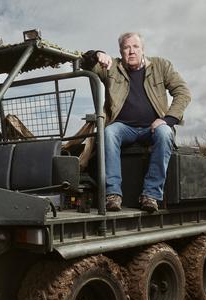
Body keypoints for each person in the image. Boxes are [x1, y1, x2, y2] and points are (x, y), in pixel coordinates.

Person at [82, 32, 191, 212]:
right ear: (120, 51)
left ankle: (151, 195)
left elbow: (183, 92)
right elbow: (83, 63)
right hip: (124, 127)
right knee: (109, 132)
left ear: (142, 50)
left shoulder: (161, 65)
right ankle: (113, 194)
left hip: (153, 127)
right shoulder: (111, 67)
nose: (131, 51)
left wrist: (167, 119)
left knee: (165, 133)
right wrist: (97, 54)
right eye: (126, 48)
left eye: (135, 47)